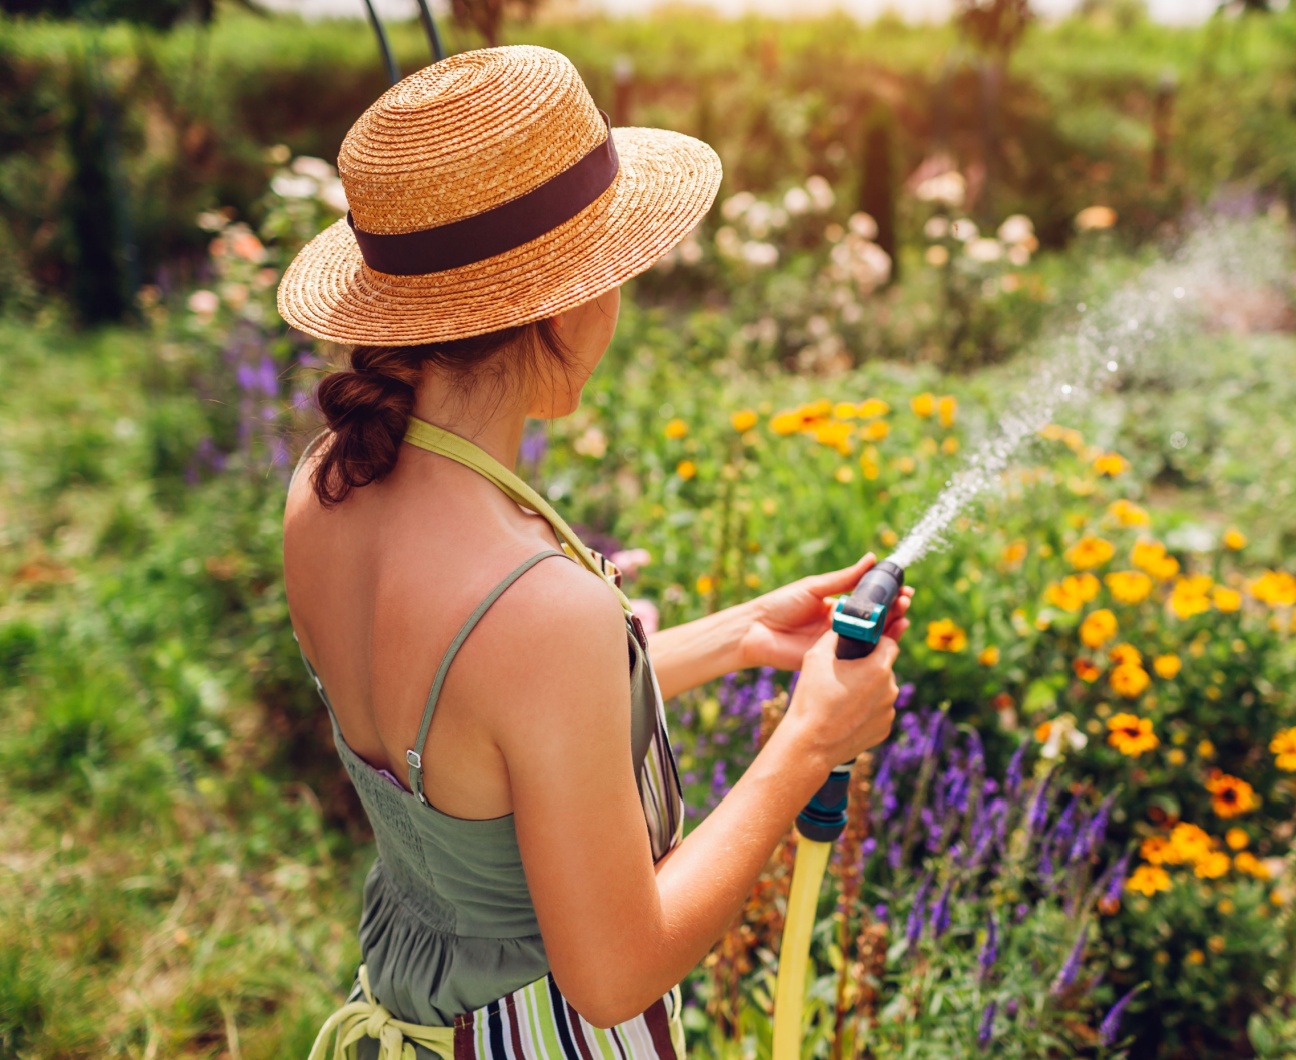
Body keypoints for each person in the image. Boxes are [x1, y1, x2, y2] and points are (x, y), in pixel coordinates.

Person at [275, 45, 913, 1060]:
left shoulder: (325, 487)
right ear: (565, 298)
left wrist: (739, 634)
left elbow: (484, 743)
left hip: (411, 1012)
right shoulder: (533, 606)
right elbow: (613, 974)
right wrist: (806, 745)